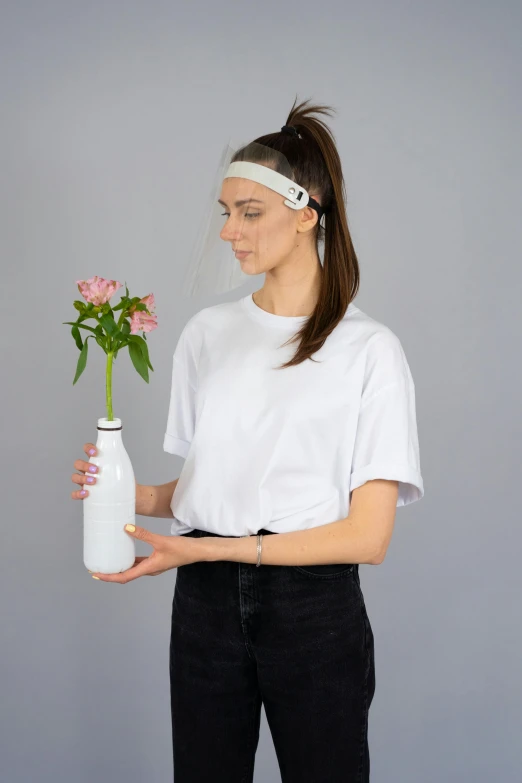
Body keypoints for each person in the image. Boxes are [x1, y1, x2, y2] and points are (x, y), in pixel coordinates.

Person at [71, 97, 424, 782]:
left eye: (250, 213)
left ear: (307, 212)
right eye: (226, 212)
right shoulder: (208, 334)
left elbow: (368, 535)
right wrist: (125, 492)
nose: (231, 231)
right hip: (203, 605)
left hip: (312, 609)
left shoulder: (369, 351)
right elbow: (211, 483)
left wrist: (212, 546)